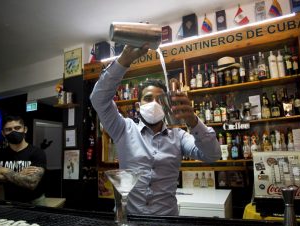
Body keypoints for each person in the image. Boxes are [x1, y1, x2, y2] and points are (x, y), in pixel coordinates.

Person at [90, 44, 220, 216]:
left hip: (167, 221)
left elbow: (212, 156)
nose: (154, 104)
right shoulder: (123, 129)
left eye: (160, 99)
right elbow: (98, 99)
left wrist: (193, 121)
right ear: (138, 105)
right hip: (129, 221)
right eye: (148, 99)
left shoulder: (179, 136)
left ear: (167, 104)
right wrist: (123, 62)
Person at [0, 115, 47, 205]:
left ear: (25, 129)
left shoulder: (37, 152)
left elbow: (31, 182)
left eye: (17, 128)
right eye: (8, 129)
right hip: (10, 201)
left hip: (35, 201)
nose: (13, 131)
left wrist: (5, 170)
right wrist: (17, 175)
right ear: (3, 133)